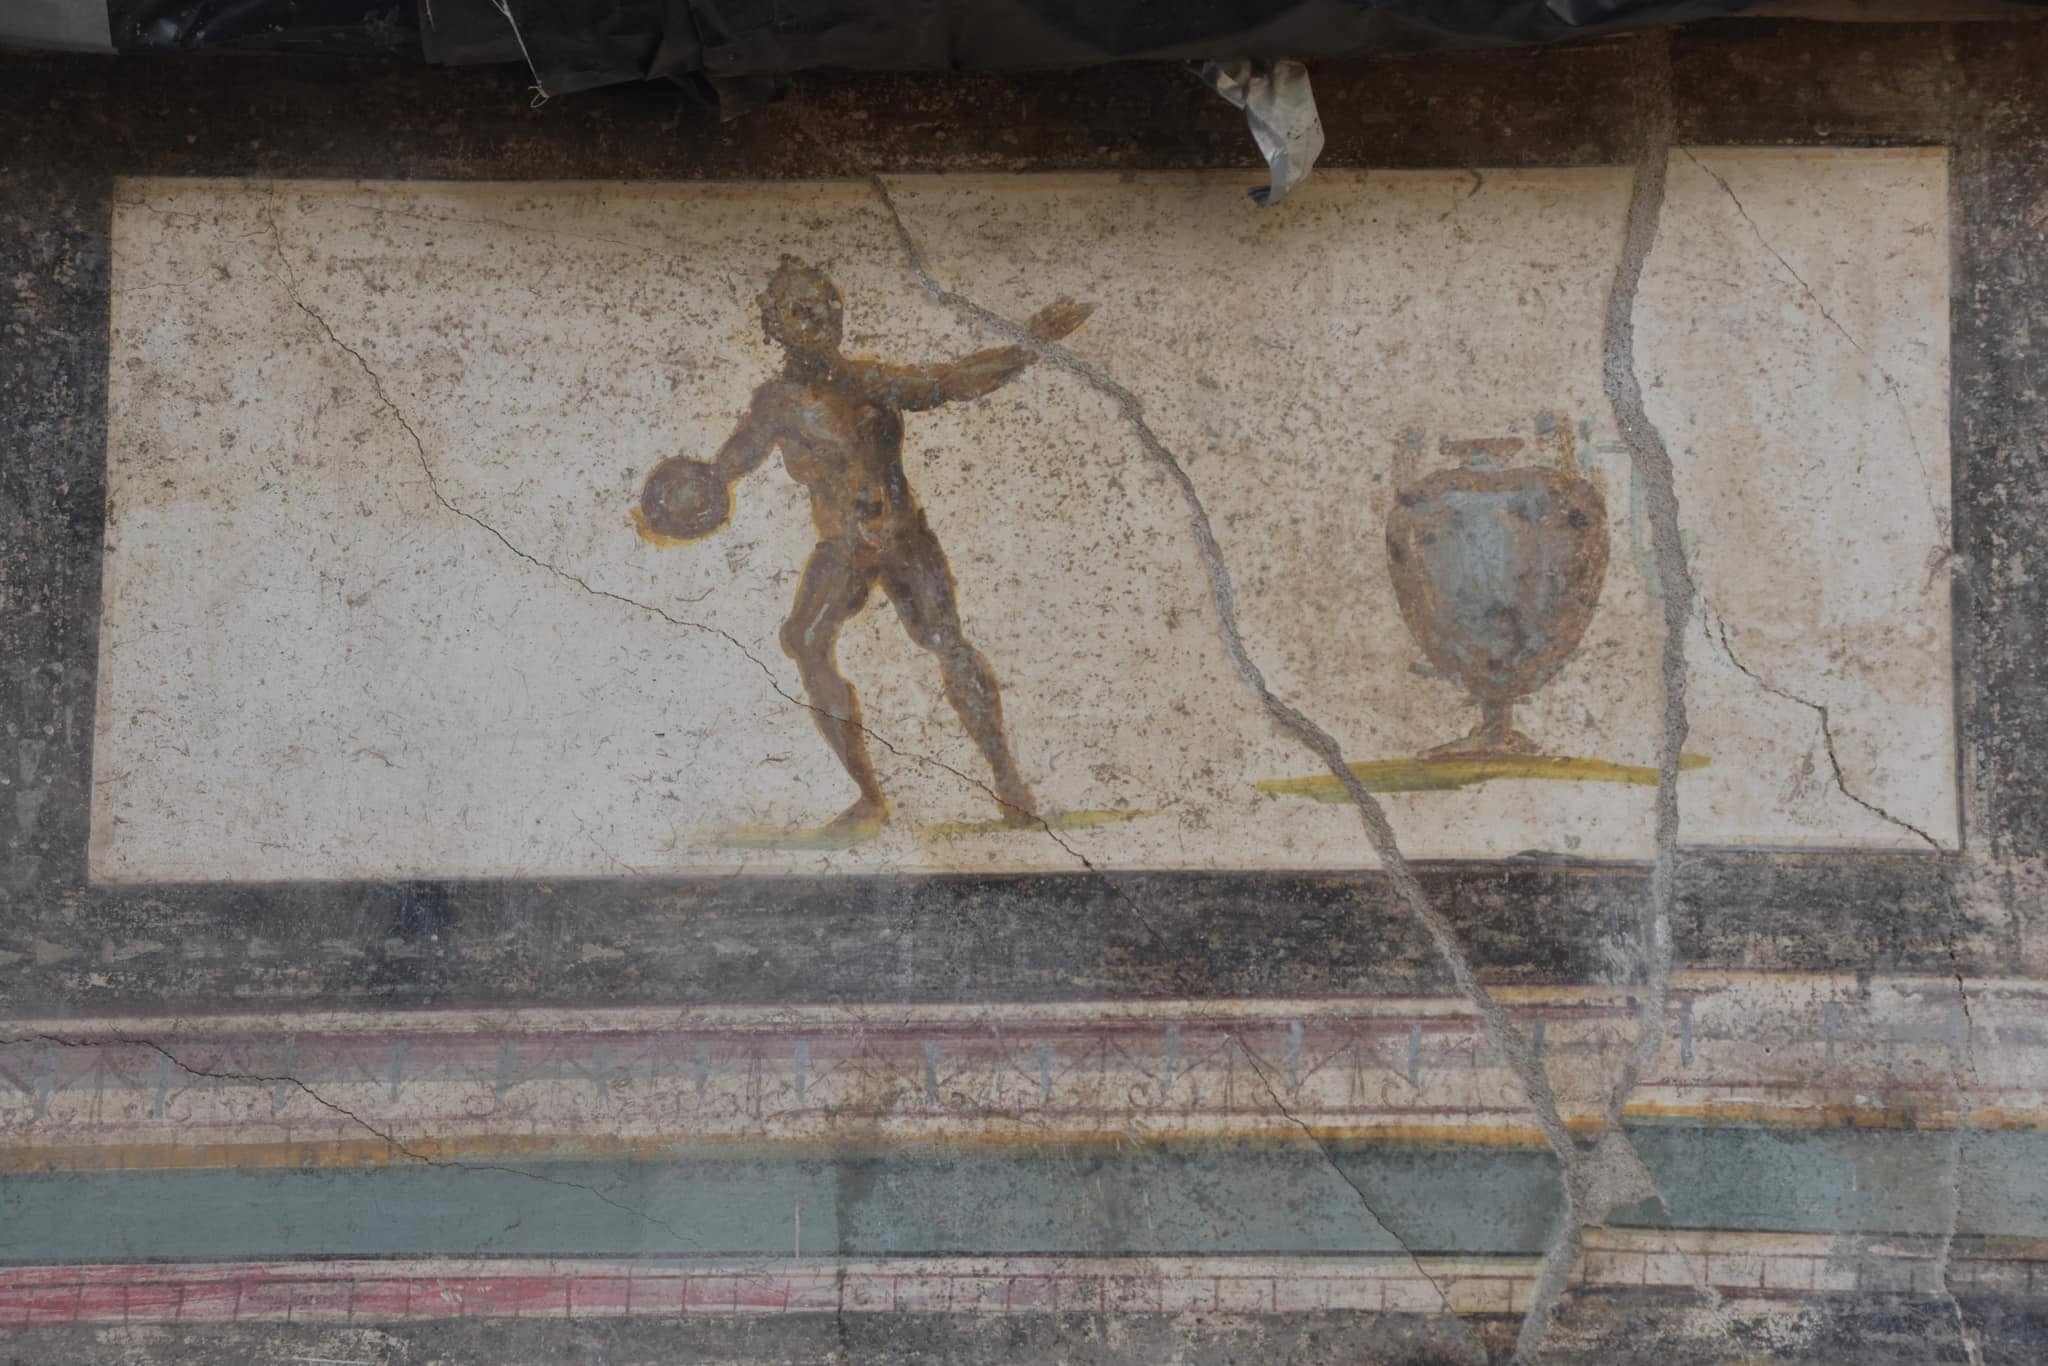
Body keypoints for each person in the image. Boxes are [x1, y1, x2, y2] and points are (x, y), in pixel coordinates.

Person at [705, 257, 1092, 831]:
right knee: (805, 640)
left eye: (829, 308)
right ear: (776, 324)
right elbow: (730, 463)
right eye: (803, 311)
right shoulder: (775, 404)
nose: (821, 321)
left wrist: (1028, 345)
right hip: (842, 548)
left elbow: (950, 381)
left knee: (946, 642)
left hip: (902, 537)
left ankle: (1008, 782)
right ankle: (871, 798)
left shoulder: (868, 380)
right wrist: (703, 488)